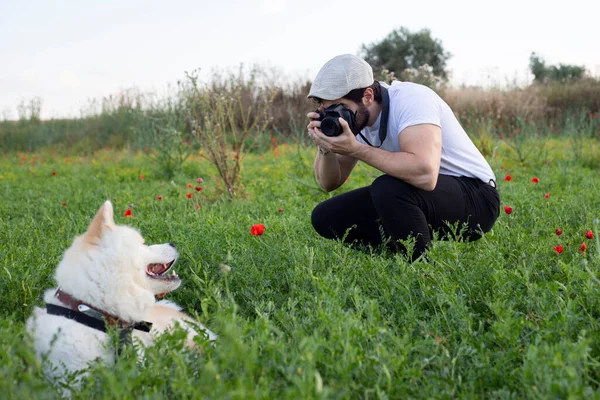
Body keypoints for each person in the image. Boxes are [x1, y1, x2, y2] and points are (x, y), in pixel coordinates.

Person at [306, 54, 500, 261]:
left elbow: (425, 175)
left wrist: (356, 150)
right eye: (327, 109)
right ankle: (396, 261)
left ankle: (421, 271)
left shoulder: (412, 99)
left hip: (477, 198)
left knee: (388, 188)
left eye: (338, 107)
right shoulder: (355, 119)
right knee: (325, 217)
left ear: (368, 96)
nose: (335, 115)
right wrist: (324, 145)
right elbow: (329, 183)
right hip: (425, 198)